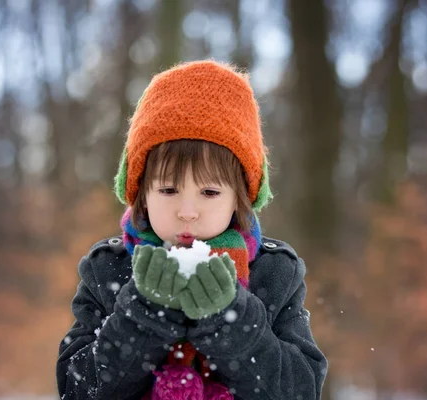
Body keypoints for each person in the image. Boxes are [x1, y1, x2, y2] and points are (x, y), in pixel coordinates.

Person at [56, 60, 328, 400]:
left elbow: (300, 389)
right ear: (141, 193)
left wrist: (227, 316)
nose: (187, 212)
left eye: (210, 192)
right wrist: (144, 312)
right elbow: (76, 389)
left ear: (239, 198)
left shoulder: (274, 274)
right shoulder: (106, 269)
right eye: (168, 190)